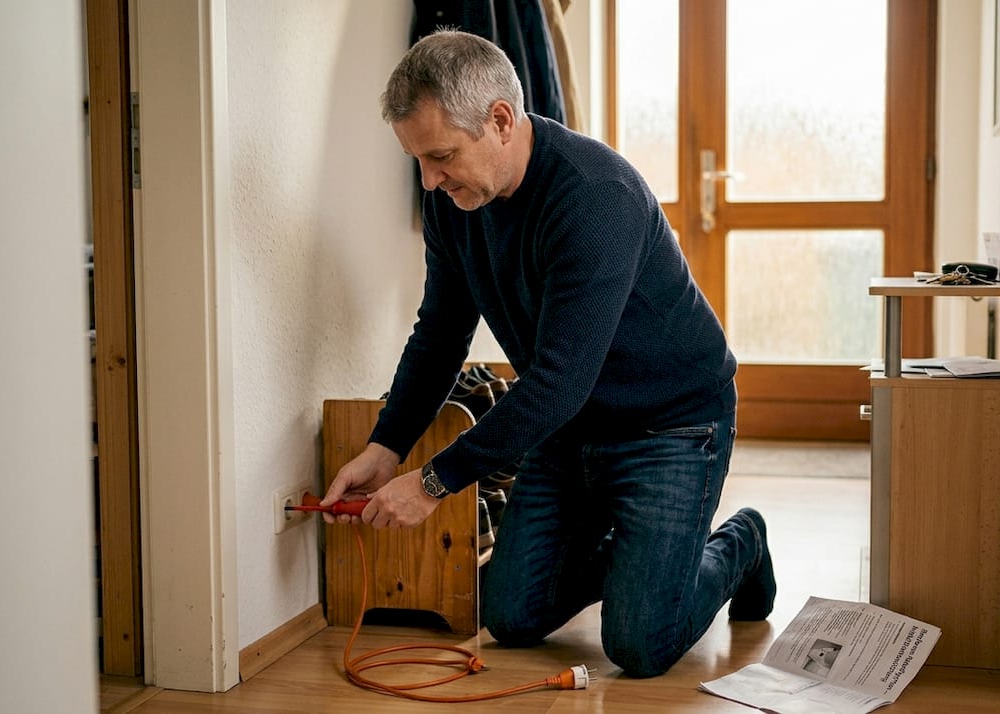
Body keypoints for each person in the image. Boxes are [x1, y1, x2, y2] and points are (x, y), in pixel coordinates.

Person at [320, 29, 775, 678]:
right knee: (509, 617)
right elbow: (440, 333)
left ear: (500, 121)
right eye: (418, 160)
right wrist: (385, 447)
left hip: (670, 427)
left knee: (640, 644)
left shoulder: (596, 196)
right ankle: (642, 560)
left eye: (442, 155)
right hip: (571, 430)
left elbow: (559, 381)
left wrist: (431, 483)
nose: (429, 178)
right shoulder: (452, 202)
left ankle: (744, 541)